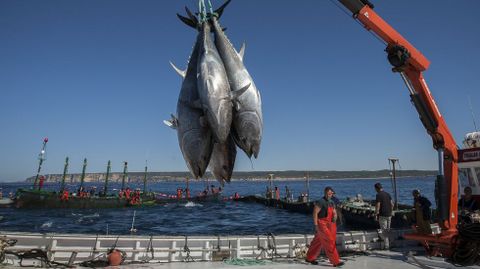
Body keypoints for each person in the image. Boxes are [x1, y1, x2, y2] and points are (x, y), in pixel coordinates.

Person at [306, 187, 344, 267]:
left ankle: (309, 258)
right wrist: (316, 225)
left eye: (330, 194)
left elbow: (334, 212)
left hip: (329, 223)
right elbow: (315, 213)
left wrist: (335, 216)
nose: (328, 195)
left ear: (332, 194)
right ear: (324, 193)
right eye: (327, 194)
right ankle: (335, 261)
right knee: (329, 241)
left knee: (317, 242)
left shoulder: (332, 202)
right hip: (321, 224)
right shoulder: (320, 202)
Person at [374, 183, 394, 249]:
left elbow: (378, 206)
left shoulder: (378, 195)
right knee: (388, 230)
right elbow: (392, 204)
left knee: (384, 231)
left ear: (376, 188)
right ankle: (391, 243)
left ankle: (386, 246)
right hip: (389, 214)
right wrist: (391, 211)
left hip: (382, 215)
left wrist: (376, 214)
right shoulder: (388, 194)